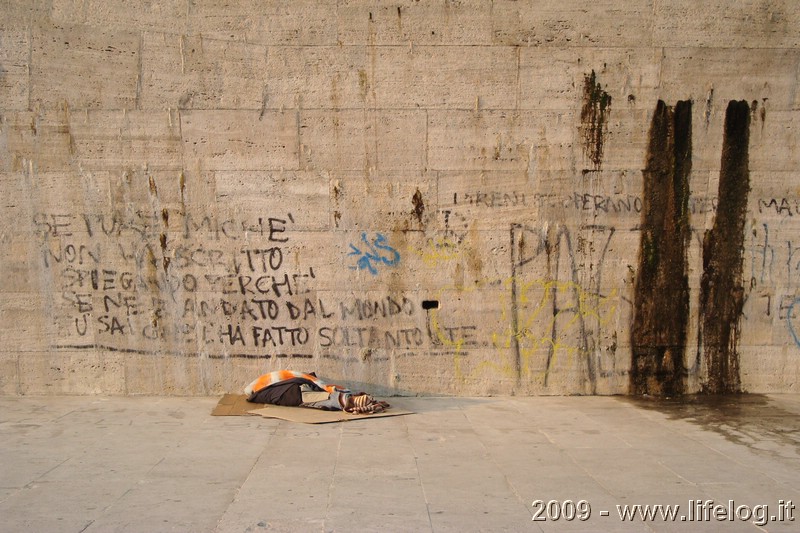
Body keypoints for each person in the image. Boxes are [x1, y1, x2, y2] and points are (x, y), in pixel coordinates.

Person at [244, 370, 389, 413]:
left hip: (294, 392)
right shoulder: (268, 384)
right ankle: (348, 398)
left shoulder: (261, 390)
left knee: (314, 400)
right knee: (317, 396)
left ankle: (347, 400)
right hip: (296, 388)